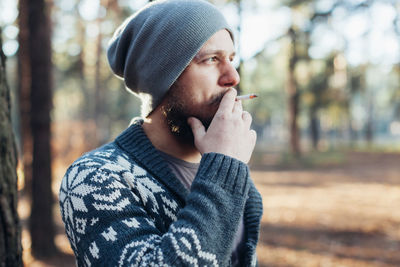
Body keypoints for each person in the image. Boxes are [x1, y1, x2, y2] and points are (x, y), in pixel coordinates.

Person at [59, 0, 263, 266]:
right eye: (211, 59)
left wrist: (225, 166)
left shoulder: (226, 169)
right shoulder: (94, 177)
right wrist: (224, 167)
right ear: (164, 75)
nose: (233, 77)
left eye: (231, 59)